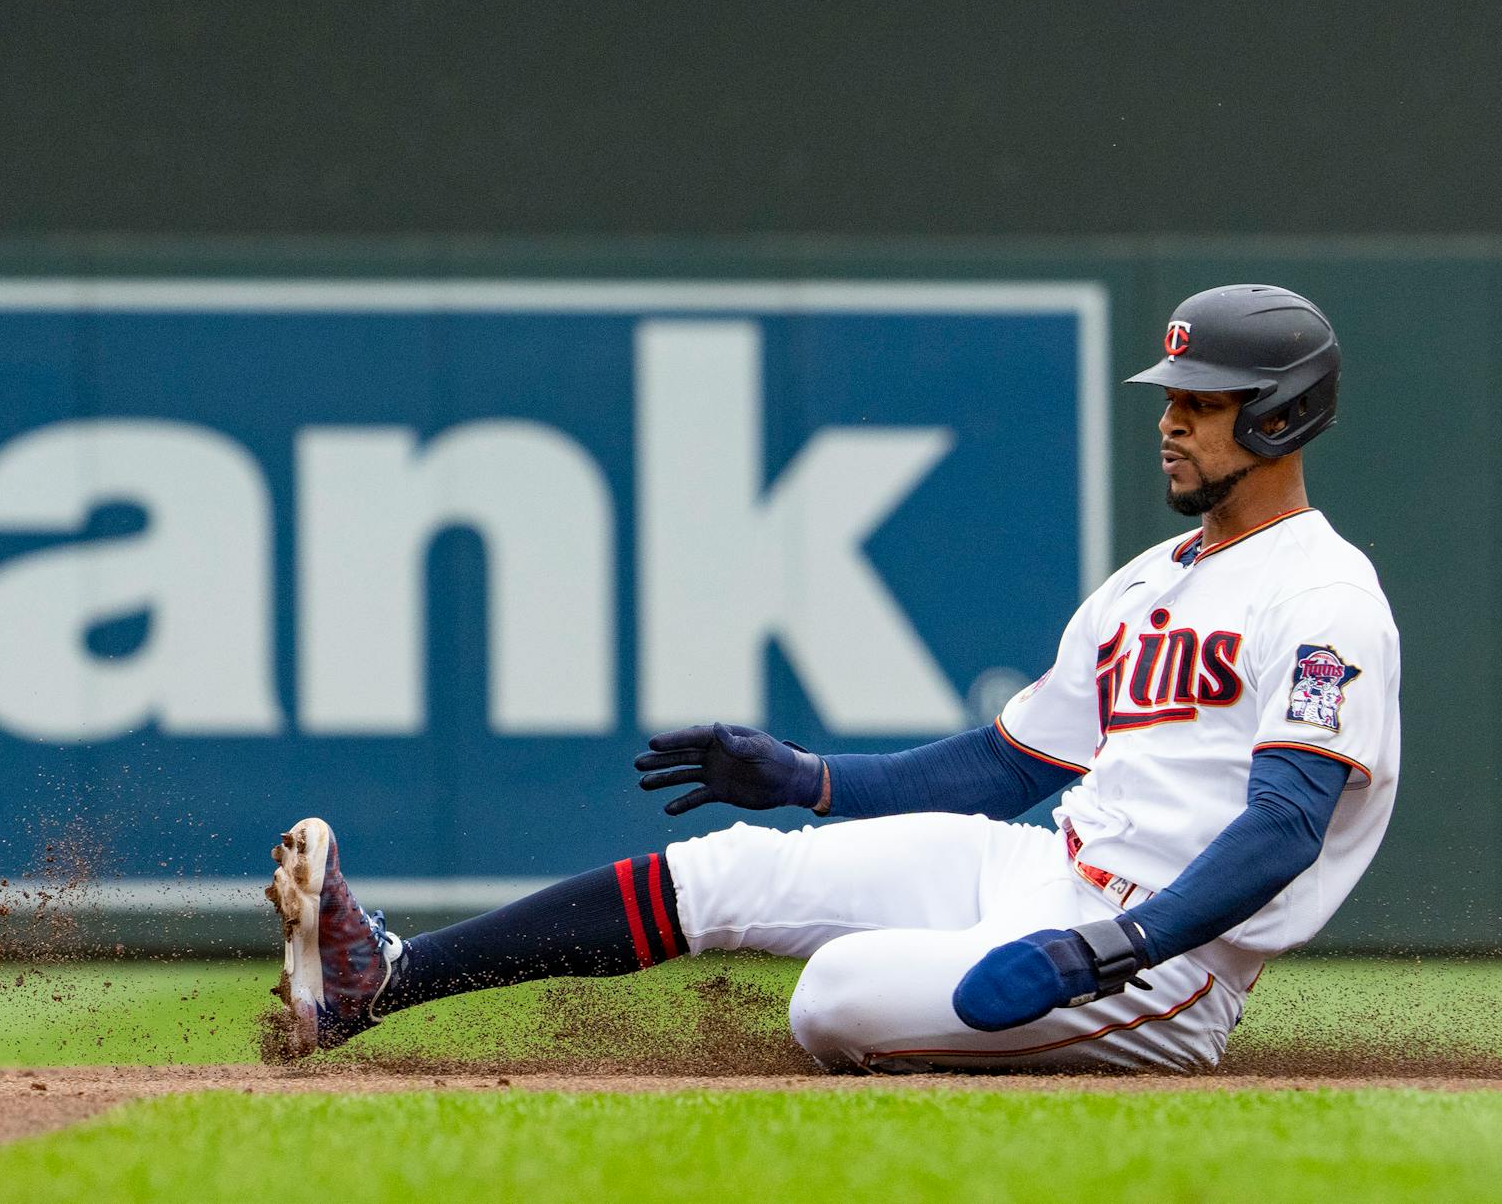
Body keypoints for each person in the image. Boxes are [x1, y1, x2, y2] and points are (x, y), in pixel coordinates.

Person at [268, 285, 1397, 1071]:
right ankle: (384, 982)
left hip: (1161, 963)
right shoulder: (1151, 582)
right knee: (731, 872)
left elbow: (1285, 828)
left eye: (1200, 402)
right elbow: (1007, 766)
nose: (1171, 421)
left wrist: (1114, 948)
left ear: (1280, 412)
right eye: (1170, 396)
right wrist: (808, 777)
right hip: (1045, 871)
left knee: (835, 998)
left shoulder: (1323, 596)